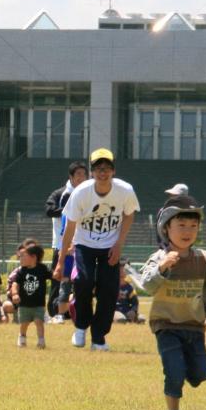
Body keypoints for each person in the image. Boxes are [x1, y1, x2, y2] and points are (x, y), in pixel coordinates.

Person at [139, 195, 206, 410]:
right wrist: (163, 267)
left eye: (193, 226)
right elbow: (147, 284)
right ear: (166, 229)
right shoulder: (159, 258)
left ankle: (188, 373)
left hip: (194, 325)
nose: (188, 231)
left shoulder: (203, 259)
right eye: (181, 225)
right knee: (174, 371)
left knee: (200, 374)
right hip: (166, 326)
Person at [57, 148, 138, 351]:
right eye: (99, 168)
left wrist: (119, 244)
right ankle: (81, 327)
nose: (103, 173)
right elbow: (70, 226)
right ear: (92, 172)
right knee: (83, 281)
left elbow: (129, 215)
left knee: (109, 290)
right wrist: (60, 262)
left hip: (110, 246)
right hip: (84, 243)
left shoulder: (125, 190)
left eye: (107, 168)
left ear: (114, 171)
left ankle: (99, 338)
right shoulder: (81, 192)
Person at [44, 161, 86, 319]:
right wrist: (71, 209)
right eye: (78, 175)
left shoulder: (89, 193)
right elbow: (49, 210)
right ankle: (54, 312)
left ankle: (71, 312)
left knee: (79, 280)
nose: (81, 178)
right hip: (61, 245)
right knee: (59, 279)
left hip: (82, 245)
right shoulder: (61, 193)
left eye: (84, 174)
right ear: (71, 177)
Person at [8, 239, 51, 349]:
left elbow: (53, 276)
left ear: (33, 257)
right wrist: (15, 294)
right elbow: (15, 284)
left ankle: (41, 341)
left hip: (38, 304)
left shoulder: (42, 269)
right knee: (24, 324)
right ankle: (22, 337)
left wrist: (60, 273)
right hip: (24, 304)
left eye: (23, 256)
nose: (20, 259)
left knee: (39, 321)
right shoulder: (21, 271)